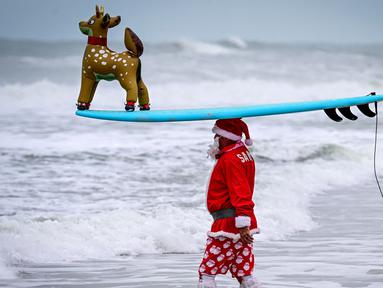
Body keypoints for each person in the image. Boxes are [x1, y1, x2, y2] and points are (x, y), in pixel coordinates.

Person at [198, 118, 259, 288]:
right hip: (241, 220)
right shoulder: (243, 153)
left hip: (229, 225)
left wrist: (242, 224)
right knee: (244, 273)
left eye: (216, 135)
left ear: (225, 137)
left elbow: (240, 192)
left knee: (207, 273)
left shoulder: (230, 159)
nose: (214, 139)